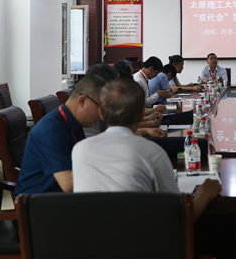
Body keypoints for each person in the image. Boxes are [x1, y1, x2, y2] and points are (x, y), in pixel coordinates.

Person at [72, 78, 221, 220]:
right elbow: (178, 214)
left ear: (101, 114)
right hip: (138, 236)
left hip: (90, 236)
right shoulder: (153, 152)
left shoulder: (79, 150)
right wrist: (205, 193)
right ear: (141, 115)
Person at [15, 73, 106, 195]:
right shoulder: (51, 130)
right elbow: (68, 184)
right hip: (38, 201)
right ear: (83, 101)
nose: (101, 116)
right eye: (100, 108)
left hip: (59, 196)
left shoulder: (74, 122)